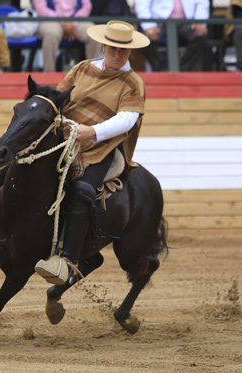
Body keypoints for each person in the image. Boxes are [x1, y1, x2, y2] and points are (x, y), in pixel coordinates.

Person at [34, 20, 149, 285]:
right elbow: (59, 97)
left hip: (100, 147)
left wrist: (93, 132)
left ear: (130, 52)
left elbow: (127, 120)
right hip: (64, 136)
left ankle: (67, 260)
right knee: (17, 155)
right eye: (113, 48)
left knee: (84, 190)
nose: (117, 55)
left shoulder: (133, 82)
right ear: (104, 45)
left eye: (123, 50)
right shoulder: (82, 68)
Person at [135, 0, 209, 72]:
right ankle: (158, 71)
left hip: (186, 22)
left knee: (201, 35)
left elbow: (202, 3)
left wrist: (199, 21)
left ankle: (184, 71)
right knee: (147, 38)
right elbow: (142, 4)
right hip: (159, 22)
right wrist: (149, 25)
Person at [31, 0, 102, 72]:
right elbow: (41, 9)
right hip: (51, 19)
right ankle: (49, 74)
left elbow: (87, 6)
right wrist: (62, 21)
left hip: (76, 20)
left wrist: (73, 21)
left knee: (93, 34)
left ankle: (93, 74)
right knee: (51, 33)